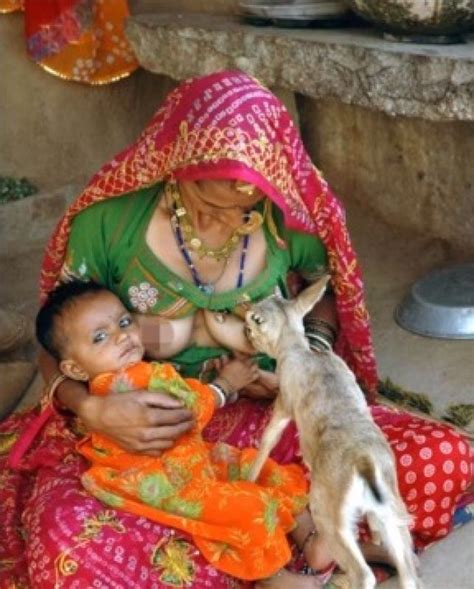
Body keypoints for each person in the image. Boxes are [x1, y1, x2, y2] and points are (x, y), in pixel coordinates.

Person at [1, 70, 472, 589]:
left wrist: (305, 359)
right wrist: (88, 405)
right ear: (177, 163)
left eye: (244, 209)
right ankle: (301, 550)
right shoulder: (110, 225)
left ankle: (301, 542)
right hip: (141, 433)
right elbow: (59, 339)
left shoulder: (286, 216)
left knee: (441, 455)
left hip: (271, 416)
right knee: (73, 542)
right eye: (206, 203)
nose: (222, 224)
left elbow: (325, 287)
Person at [33, 279, 323, 581]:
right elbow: (189, 412)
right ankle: (277, 576)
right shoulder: (139, 378)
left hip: (183, 461)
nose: (122, 337)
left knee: (251, 464)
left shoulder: (110, 382)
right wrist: (226, 384)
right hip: (167, 480)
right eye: (101, 337)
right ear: (75, 371)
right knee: (248, 504)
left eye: (124, 322)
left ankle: (312, 539)